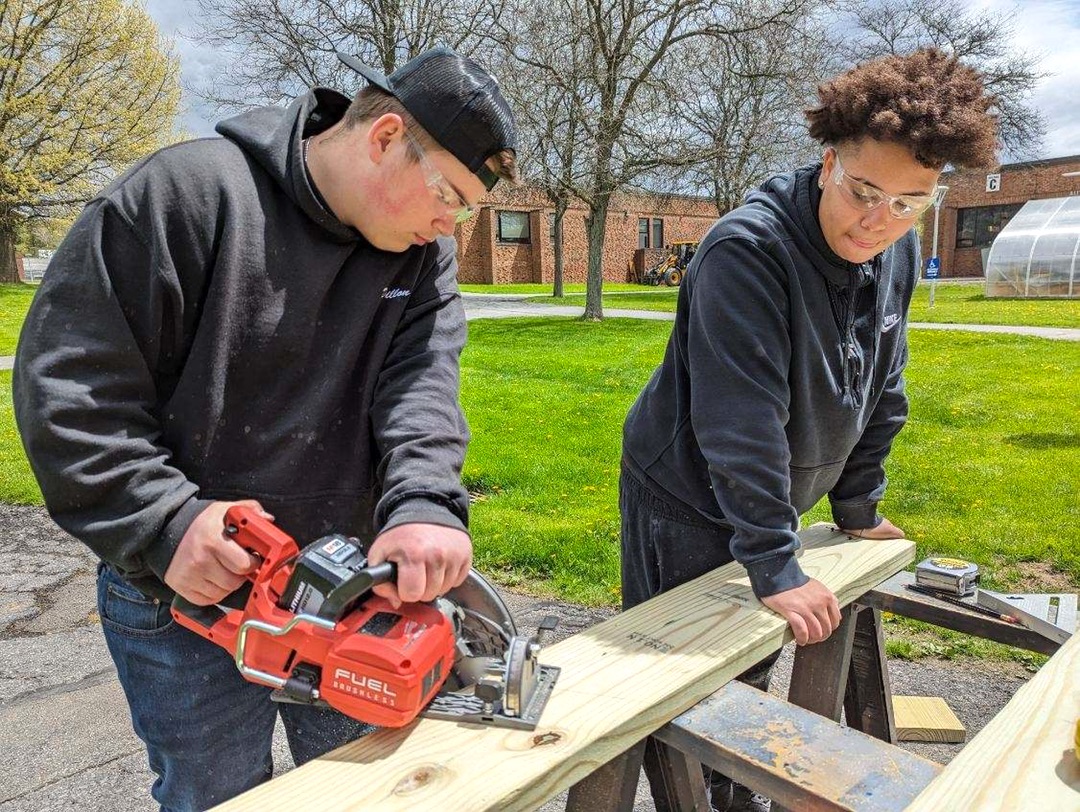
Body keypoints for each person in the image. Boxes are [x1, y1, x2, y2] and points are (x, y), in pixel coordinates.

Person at [14, 45, 517, 811]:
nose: (452, 223)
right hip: (182, 598)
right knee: (217, 799)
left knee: (366, 790)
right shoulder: (185, 197)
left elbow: (421, 389)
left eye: (469, 210)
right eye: (449, 193)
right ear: (384, 137)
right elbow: (73, 393)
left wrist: (424, 506)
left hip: (353, 596)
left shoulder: (420, 259)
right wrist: (164, 522)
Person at [619, 48, 997, 812]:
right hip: (688, 491)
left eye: (908, 203)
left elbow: (880, 386)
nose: (878, 220)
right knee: (685, 684)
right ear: (828, 162)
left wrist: (858, 508)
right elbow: (739, 423)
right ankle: (709, 797)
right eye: (865, 192)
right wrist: (775, 562)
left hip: (773, 488)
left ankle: (738, 791)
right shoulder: (746, 253)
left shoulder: (894, 249)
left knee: (751, 663)